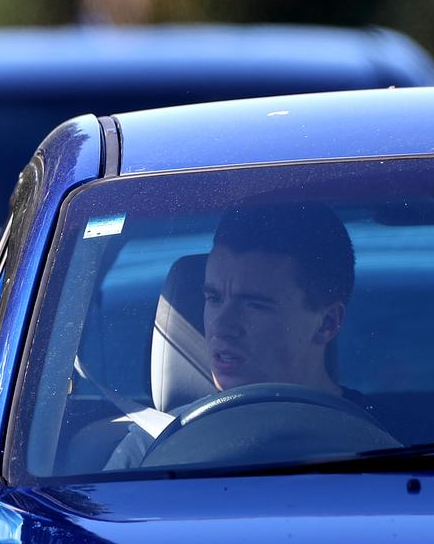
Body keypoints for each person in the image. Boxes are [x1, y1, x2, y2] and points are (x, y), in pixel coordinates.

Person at [106, 201, 385, 469]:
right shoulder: (149, 451)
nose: (222, 325)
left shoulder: (400, 440)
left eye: (254, 305)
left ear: (326, 323)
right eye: (213, 298)